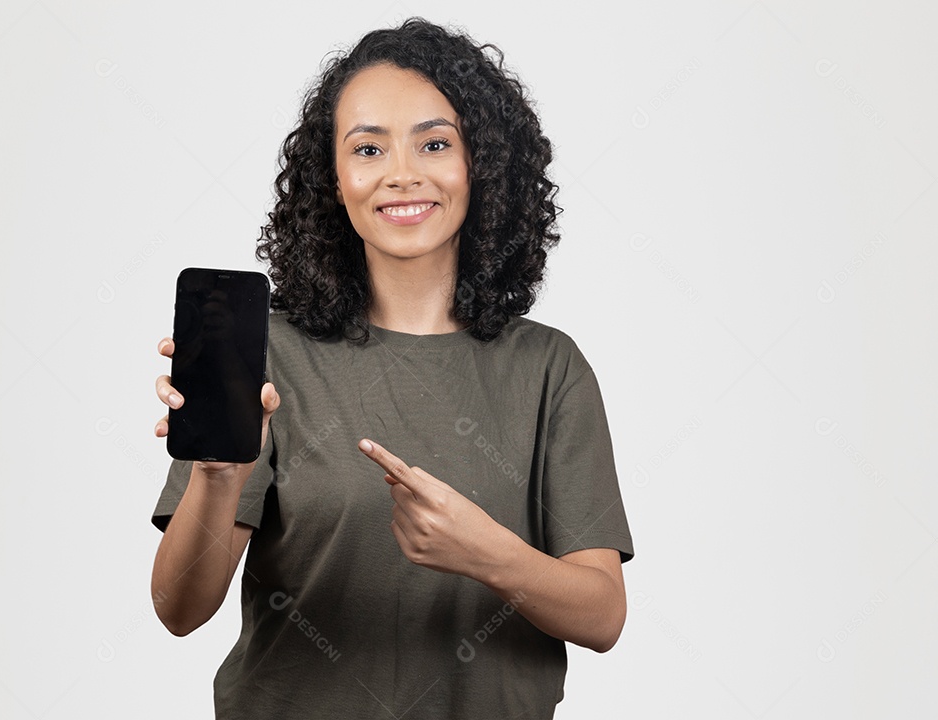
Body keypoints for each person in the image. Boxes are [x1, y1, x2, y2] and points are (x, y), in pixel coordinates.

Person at [149, 18, 634, 719]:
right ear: (334, 179)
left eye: (434, 143)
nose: (402, 173)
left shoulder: (549, 368)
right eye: (368, 148)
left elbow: (603, 616)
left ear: (481, 167)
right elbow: (179, 609)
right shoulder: (270, 358)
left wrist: (487, 552)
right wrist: (218, 479)